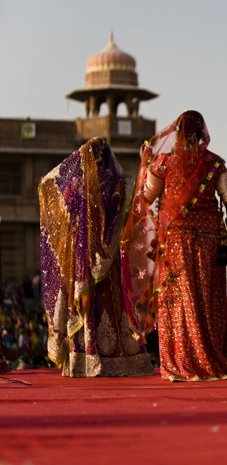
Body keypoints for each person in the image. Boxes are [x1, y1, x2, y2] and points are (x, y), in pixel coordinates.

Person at [123, 111, 227, 381]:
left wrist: (144, 166)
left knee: (180, 302)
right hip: (209, 242)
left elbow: (146, 198)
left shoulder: (164, 163)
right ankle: (212, 362)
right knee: (207, 301)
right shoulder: (215, 164)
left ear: (177, 133)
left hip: (175, 242)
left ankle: (181, 363)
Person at [38, 137, 153, 377]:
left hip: (83, 263)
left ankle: (87, 359)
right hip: (109, 261)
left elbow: (59, 203)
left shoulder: (77, 185)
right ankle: (120, 359)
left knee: (90, 306)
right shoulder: (120, 185)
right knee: (111, 303)